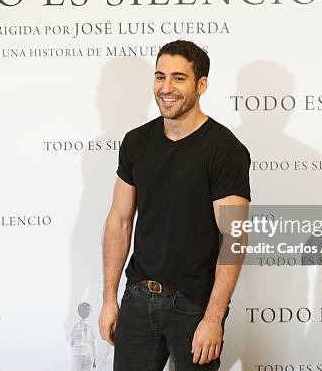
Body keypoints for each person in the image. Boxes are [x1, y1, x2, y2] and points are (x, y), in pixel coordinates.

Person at [98, 40, 251, 370]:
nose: (166, 88)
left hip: (193, 306)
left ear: (201, 85)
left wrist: (214, 318)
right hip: (138, 298)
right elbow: (120, 221)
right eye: (160, 76)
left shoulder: (224, 149)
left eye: (179, 78)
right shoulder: (136, 142)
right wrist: (109, 299)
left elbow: (234, 238)